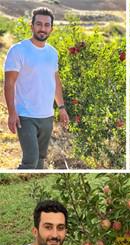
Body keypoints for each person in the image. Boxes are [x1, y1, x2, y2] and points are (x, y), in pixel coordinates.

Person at [3, 7, 69, 170]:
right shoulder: (18, 50)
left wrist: (61, 108)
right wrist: (12, 112)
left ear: (51, 29)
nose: (42, 28)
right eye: (39, 24)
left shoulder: (52, 53)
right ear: (31, 26)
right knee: (30, 160)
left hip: (46, 116)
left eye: (47, 25)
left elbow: (55, 80)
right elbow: (9, 83)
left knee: (40, 159)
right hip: (25, 115)